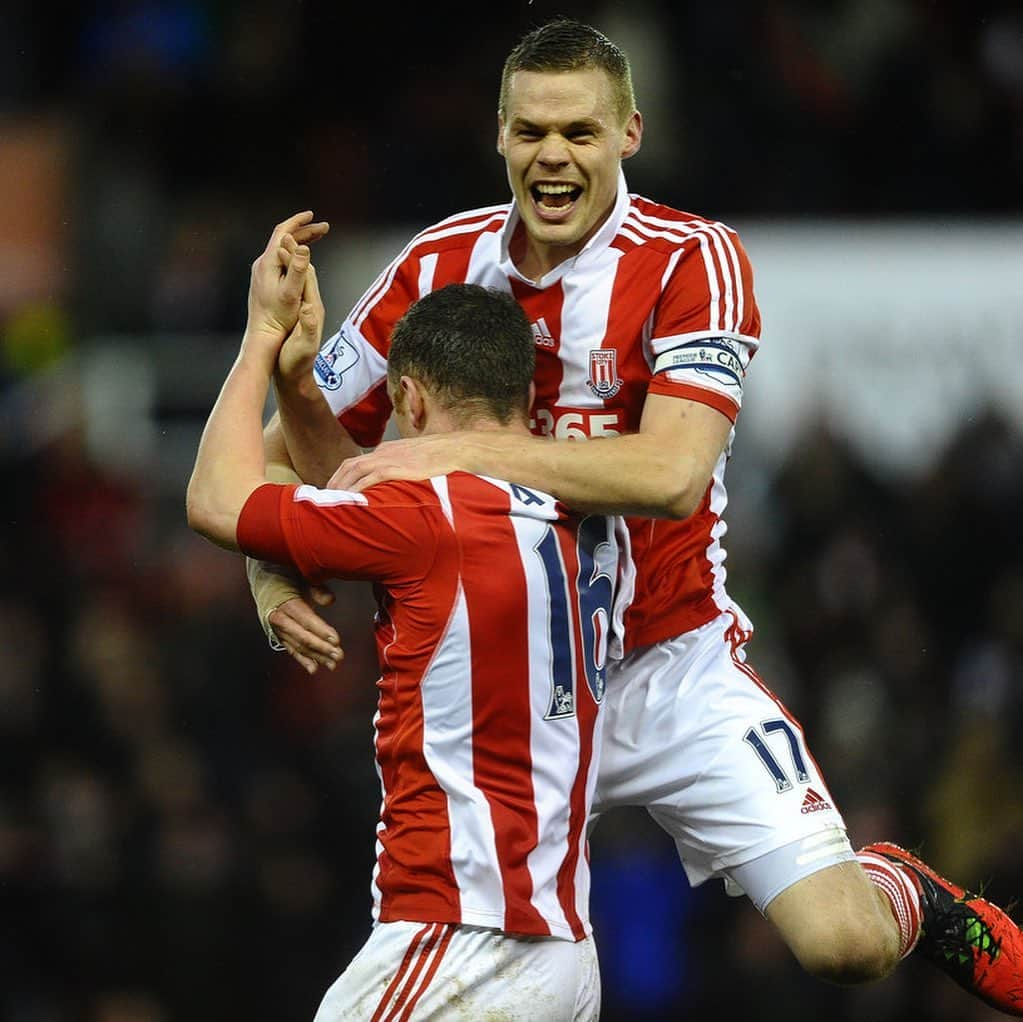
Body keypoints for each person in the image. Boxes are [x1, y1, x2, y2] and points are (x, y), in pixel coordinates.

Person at [248, 19, 1023, 1016]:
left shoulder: (695, 259)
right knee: (451, 968)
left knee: (844, 943)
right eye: (530, 132)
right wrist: (273, 572)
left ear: (630, 135)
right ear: (498, 137)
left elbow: (669, 472)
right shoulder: (435, 268)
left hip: (671, 664)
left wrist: (454, 449)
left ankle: (904, 889)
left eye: (578, 130)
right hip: (506, 694)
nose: (553, 155)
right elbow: (289, 456)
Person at [187, 215, 631, 1020]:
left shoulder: (426, 513)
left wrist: (260, 339)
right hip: (564, 948)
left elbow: (217, 499)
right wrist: (297, 391)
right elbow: (349, 505)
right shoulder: (584, 513)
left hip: (459, 934)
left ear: (407, 398)